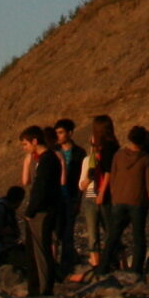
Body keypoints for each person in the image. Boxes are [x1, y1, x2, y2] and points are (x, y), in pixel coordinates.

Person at [104, 125, 149, 274]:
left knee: (113, 236)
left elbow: (113, 177)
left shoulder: (118, 155)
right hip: (137, 202)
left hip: (119, 200)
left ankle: (102, 268)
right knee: (138, 237)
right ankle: (136, 271)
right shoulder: (145, 159)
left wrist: (114, 195)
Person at [72, 116, 119, 280]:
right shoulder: (89, 159)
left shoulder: (109, 152)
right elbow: (82, 184)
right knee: (93, 233)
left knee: (108, 229)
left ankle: (111, 261)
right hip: (92, 192)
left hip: (102, 193)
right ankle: (96, 263)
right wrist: (90, 177)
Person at [17, 124, 60, 297]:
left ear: (35, 141)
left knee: (40, 251)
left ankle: (43, 289)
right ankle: (36, 288)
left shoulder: (47, 160)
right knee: (35, 251)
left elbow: (41, 188)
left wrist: (30, 211)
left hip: (42, 211)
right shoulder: (46, 159)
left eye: (25, 144)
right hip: (45, 209)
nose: (24, 148)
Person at [51, 119, 86, 282]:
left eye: (61, 132)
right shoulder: (53, 151)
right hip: (55, 196)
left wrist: (79, 200)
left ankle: (66, 265)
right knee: (55, 232)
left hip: (71, 195)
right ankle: (52, 266)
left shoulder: (79, 153)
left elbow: (83, 177)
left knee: (68, 233)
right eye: (56, 132)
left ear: (70, 133)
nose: (58, 136)